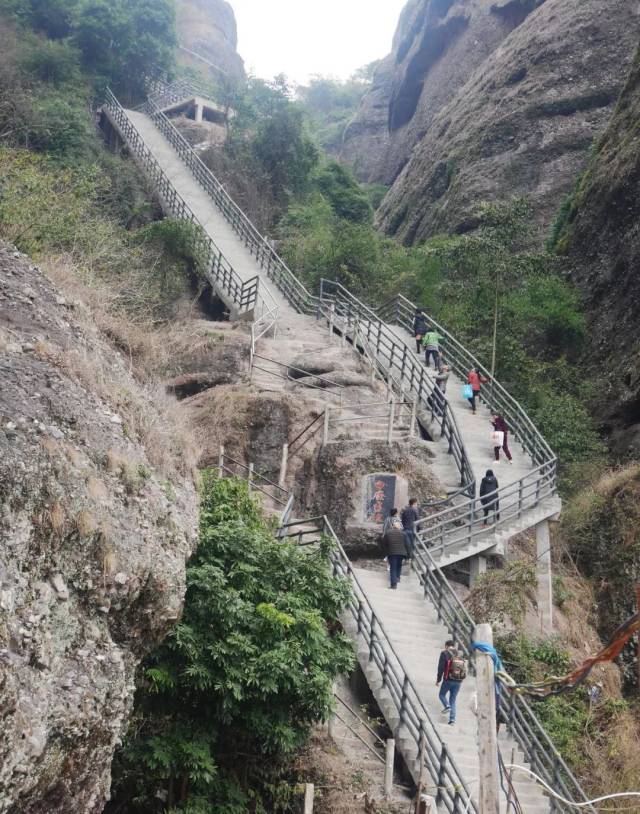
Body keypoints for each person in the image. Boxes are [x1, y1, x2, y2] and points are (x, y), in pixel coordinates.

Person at [436, 641, 467, 725]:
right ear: (453, 646)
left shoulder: (444, 653)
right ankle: (452, 720)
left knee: (441, 695)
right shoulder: (459, 654)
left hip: (448, 679)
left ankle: (447, 706)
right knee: (452, 700)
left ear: (446, 646)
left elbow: (441, 668)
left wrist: (438, 680)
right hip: (458, 681)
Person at [383, 523, 409, 589]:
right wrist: (408, 556)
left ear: (392, 527)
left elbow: (384, 543)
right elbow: (408, 545)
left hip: (392, 552)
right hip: (401, 553)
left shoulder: (388, 533)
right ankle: (397, 578)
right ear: (399, 527)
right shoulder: (404, 534)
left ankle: (393, 584)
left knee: (393, 568)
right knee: (399, 565)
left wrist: (386, 552)